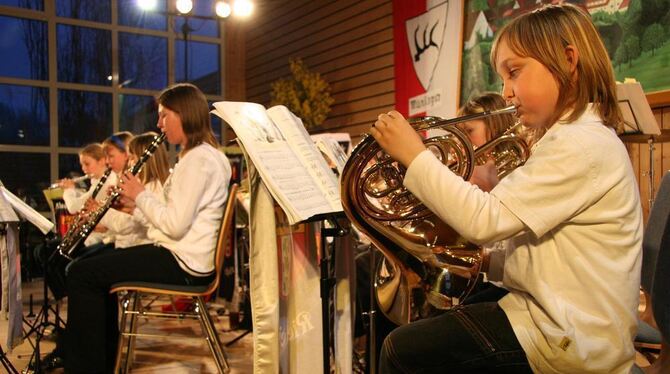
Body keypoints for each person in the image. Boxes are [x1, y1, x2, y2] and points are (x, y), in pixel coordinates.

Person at [371, 4, 642, 373]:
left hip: (571, 341)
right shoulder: (568, 138)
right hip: (552, 317)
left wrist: (415, 156)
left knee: (401, 351)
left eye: (514, 72)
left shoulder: (581, 144)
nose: (507, 92)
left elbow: (486, 221)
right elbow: (546, 252)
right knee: (444, 317)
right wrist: (485, 260)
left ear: (568, 60)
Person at [49, 83, 231, 374]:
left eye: (164, 116)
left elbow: (173, 224)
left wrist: (139, 194)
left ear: (184, 114)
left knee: (82, 273)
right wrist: (135, 206)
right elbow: (174, 217)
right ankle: (100, 361)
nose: (159, 124)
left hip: (182, 262)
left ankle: (88, 367)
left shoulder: (198, 161)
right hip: (183, 255)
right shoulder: (202, 156)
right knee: (88, 272)